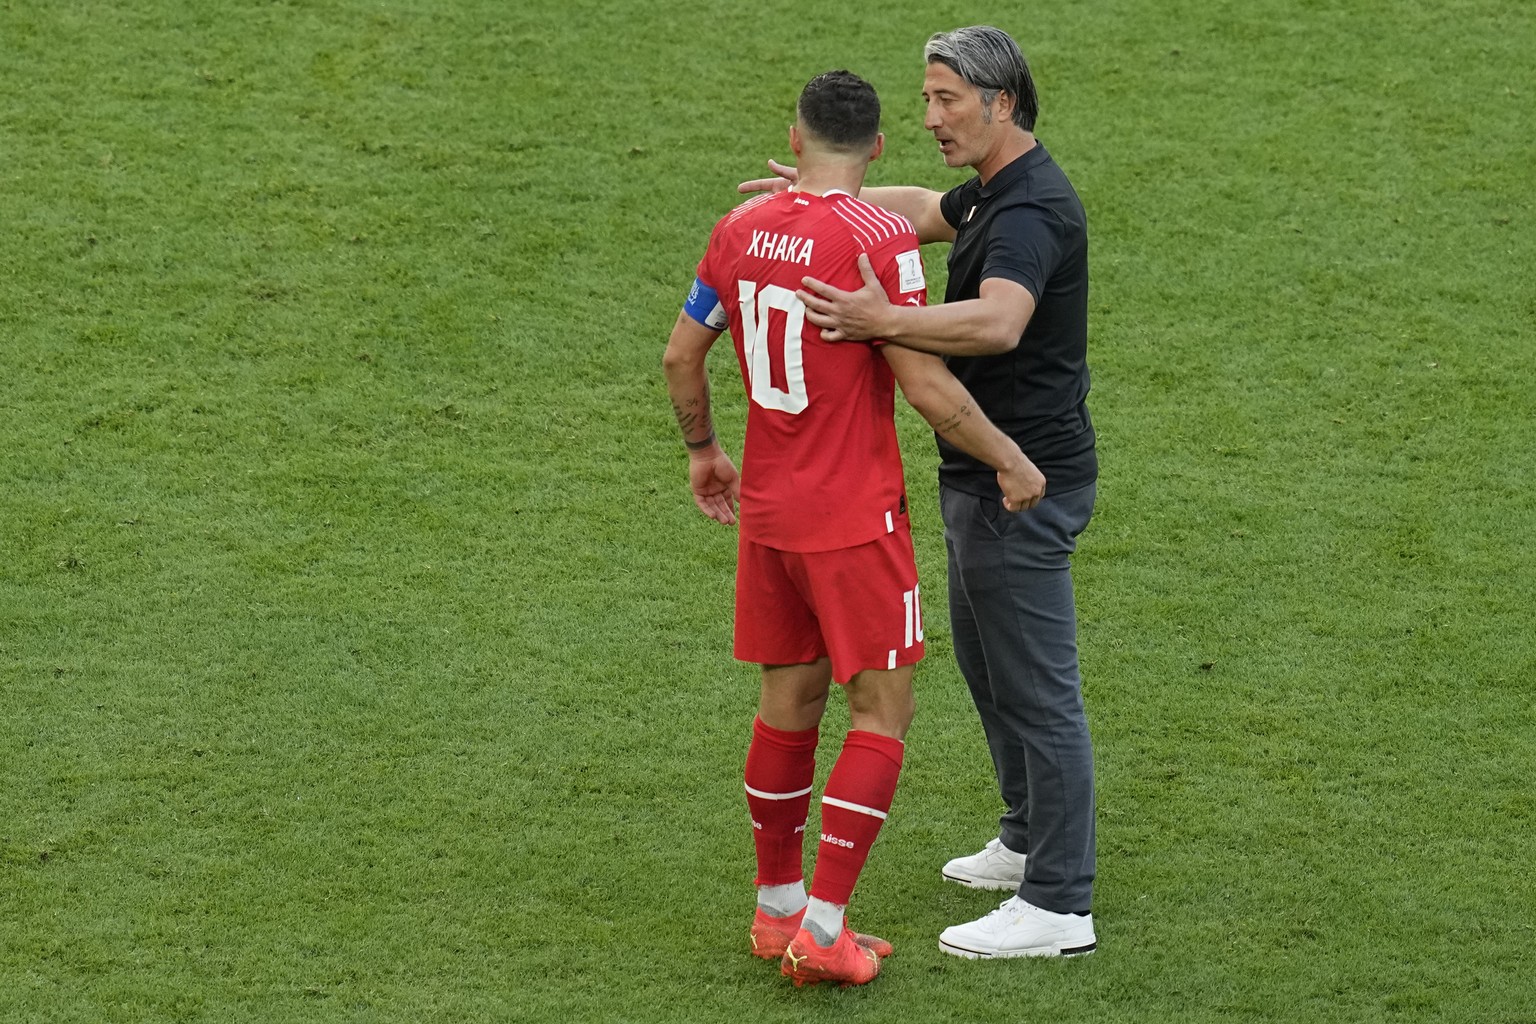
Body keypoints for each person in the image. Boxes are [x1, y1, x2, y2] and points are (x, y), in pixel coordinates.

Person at [663, 70, 1042, 987]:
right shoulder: (878, 240)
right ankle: (826, 929)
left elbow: (681, 353)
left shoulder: (737, 229)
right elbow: (924, 385)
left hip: (771, 514)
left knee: (786, 704)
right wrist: (1008, 458)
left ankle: (776, 907)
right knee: (881, 710)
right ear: (876, 147)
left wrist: (707, 450)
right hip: (854, 521)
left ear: (793, 139)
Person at [739, 26, 1100, 959]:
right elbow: (915, 208)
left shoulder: (1029, 213)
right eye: (927, 98)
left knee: (1039, 687)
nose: (931, 115)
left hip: (1021, 479)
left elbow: (999, 322)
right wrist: (820, 198)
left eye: (946, 99)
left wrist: (884, 318)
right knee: (991, 669)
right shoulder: (992, 189)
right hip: (980, 473)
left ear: (1001, 104)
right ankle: (1027, 841)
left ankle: (1060, 904)